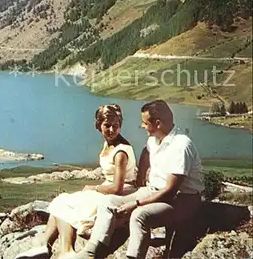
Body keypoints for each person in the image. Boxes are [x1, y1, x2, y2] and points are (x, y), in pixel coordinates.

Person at [81, 100, 204, 259]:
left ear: (158, 123)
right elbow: (147, 151)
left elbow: (170, 191)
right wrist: (140, 177)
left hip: (182, 200)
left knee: (140, 215)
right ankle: (92, 252)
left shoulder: (181, 146)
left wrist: (136, 203)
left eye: (145, 122)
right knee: (108, 202)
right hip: (154, 191)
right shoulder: (155, 139)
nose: (142, 126)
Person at [15, 104, 137, 259]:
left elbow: (117, 188)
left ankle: (65, 251)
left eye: (116, 126)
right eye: (107, 125)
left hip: (117, 194)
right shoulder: (109, 143)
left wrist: (95, 188)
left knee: (65, 204)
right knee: (62, 201)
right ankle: (44, 245)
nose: (112, 130)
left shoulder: (120, 152)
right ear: (98, 126)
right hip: (108, 189)